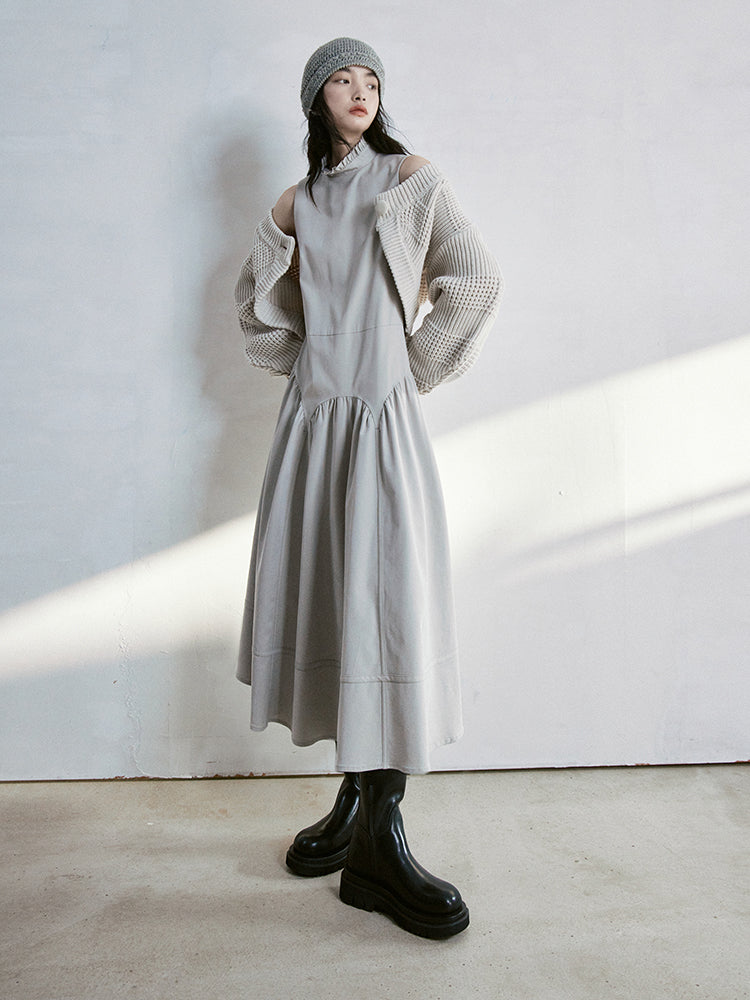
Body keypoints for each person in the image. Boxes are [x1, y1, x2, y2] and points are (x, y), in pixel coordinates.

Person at [234, 37, 502, 939]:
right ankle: (355, 805)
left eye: (372, 79)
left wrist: (405, 369)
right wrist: (312, 364)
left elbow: (477, 279)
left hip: (379, 422)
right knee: (332, 598)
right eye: (343, 79)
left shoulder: (409, 179)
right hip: (313, 426)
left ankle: (381, 841)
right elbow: (253, 306)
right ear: (316, 98)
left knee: (385, 602)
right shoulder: (297, 201)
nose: (361, 90)